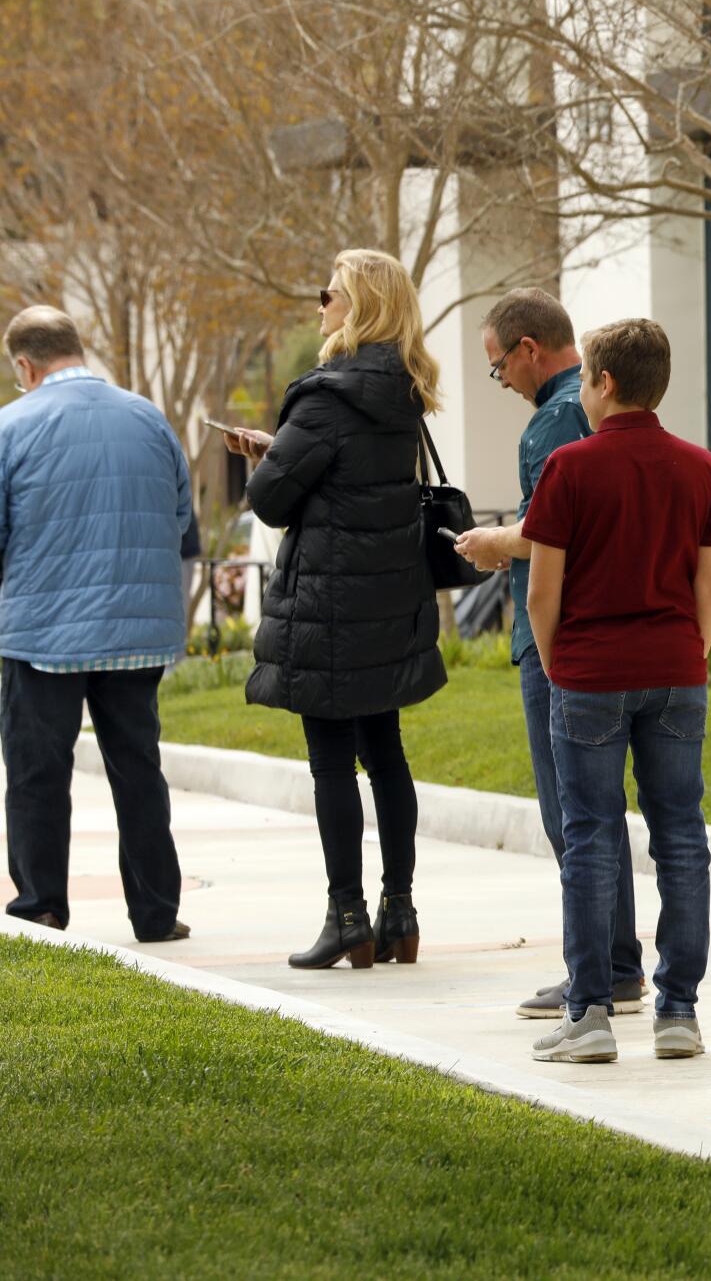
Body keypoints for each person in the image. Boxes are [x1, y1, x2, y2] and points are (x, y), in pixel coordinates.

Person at [229, 249, 448, 971]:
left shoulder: (325, 395)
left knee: (331, 763)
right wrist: (283, 450)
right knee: (385, 752)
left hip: (329, 599)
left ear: (357, 306)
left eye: (330, 292)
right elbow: (352, 473)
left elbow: (271, 499)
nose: (319, 302)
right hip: (388, 594)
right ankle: (402, 909)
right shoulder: (403, 389)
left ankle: (346, 915)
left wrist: (261, 458)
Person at [522, 318, 711, 1065]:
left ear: (605, 381)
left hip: (588, 672)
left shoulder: (569, 471)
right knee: (681, 836)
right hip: (676, 669)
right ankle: (678, 1010)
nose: (581, 388)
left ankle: (590, 1013)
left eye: (585, 378)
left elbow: (543, 592)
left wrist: (556, 665)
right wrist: (689, 654)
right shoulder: (700, 467)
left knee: (590, 836)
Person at [452, 289, 648, 1022]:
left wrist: (493, 542)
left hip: (560, 638)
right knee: (594, 809)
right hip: (604, 632)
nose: (501, 381)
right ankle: (616, 964)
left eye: (499, 366)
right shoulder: (590, 409)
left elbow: (556, 533)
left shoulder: (555, 420)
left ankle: (598, 972)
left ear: (529, 349)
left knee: (574, 812)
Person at [0, 305, 192, 942]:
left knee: (36, 773)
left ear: (24, 365)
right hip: (137, 635)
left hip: (42, 634)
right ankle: (157, 912)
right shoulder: (150, 418)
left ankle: (42, 906)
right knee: (138, 768)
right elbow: (184, 525)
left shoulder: (11, 426)